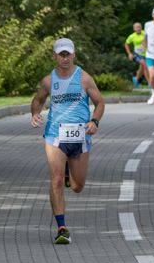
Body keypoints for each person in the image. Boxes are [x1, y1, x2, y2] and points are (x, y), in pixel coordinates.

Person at [30, 38, 105, 244]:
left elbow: (99, 103)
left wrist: (94, 121)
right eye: (61, 54)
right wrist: (35, 113)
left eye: (68, 54)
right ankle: (62, 228)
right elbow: (38, 99)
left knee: (77, 186)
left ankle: (67, 172)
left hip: (80, 136)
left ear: (74, 55)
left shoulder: (84, 78)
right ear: (55, 56)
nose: (65, 58)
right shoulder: (48, 81)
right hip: (55, 134)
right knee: (55, 181)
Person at [124, 22, 148, 88]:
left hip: (146, 54)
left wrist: (146, 43)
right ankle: (150, 83)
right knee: (145, 65)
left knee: (142, 68)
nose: (138, 29)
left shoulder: (145, 33)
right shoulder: (132, 36)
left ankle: (136, 78)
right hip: (137, 54)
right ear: (134, 29)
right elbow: (126, 44)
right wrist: (129, 54)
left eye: (139, 27)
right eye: (136, 27)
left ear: (141, 27)